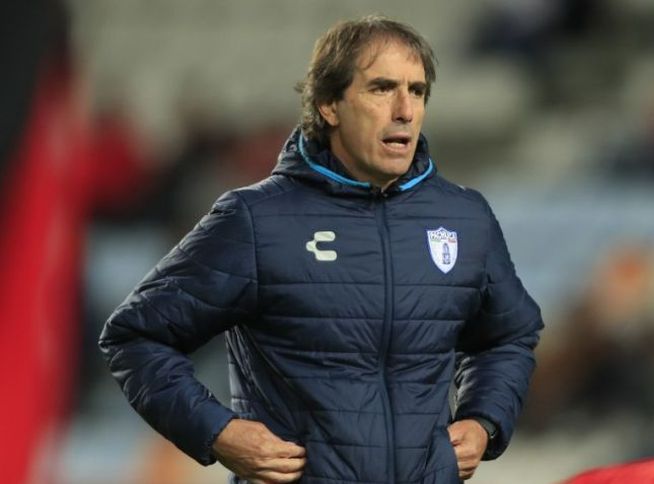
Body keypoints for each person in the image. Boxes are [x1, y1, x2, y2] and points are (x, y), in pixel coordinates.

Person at [99, 15, 543, 484]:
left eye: (416, 91)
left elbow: (509, 336)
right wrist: (219, 432)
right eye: (382, 88)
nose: (404, 110)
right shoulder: (257, 220)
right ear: (329, 105)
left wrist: (483, 420)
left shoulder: (465, 218)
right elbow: (136, 338)